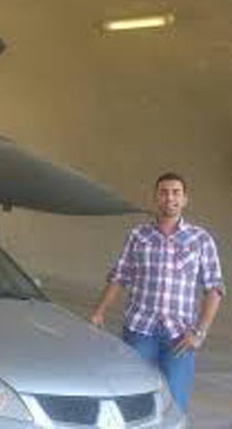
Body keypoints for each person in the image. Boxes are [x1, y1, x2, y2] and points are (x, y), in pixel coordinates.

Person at [90, 172, 224, 413]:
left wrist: (199, 332)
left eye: (176, 193)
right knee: (134, 398)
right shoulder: (138, 236)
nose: (169, 198)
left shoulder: (200, 239)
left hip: (180, 336)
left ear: (185, 199)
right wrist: (99, 313)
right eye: (164, 192)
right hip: (140, 332)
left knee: (175, 402)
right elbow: (119, 276)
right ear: (156, 198)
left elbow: (214, 288)